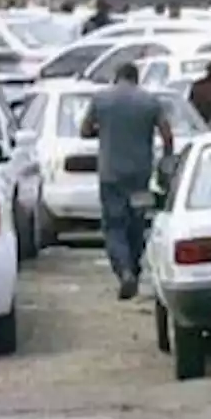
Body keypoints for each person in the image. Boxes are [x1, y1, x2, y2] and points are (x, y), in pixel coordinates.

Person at [81, 63, 174, 300]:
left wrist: (102, 131)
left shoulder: (101, 99)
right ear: (137, 78)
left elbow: (84, 130)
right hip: (140, 175)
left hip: (110, 174)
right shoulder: (150, 102)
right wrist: (166, 160)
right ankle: (134, 266)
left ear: (116, 77)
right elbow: (166, 133)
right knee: (137, 223)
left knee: (114, 226)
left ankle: (124, 271)